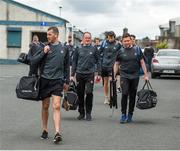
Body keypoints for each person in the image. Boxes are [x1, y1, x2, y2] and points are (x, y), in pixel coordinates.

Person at [30, 27, 70, 143]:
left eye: (49, 34)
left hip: (57, 81)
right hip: (45, 80)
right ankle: (45, 130)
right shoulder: (43, 47)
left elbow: (67, 66)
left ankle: (57, 133)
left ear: (56, 35)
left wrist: (67, 81)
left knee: (56, 106)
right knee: (45, 106)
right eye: (47, 34)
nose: (47, 36)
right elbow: (33, 61)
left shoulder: (64, 48)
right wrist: (44, 52)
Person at [115, 33, 148, 123]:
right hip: (124, 76)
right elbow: (117, 64)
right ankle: (123, 114)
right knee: (124, 94)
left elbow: (142, 62)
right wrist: (113, 75)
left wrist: (146, 75)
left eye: (128, 40)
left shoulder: (137, 50)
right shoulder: (120, 51)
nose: (126, 42)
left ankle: (130, 114)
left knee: (132, 96)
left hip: (135, 76)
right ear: (122, 42)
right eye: (125, 41)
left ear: (131, 40)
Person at [71, 32, 101, 121]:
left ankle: (88, 113)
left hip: (90, 74)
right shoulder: (78, 48)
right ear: (83, 39)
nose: (87, 39)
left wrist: (98, 73)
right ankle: (81, 112)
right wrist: (72, 75)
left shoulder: (94, 49)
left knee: (88, 92)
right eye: (86, 38)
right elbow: (74, 62)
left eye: (89, 38)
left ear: (91, 39)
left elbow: (98, 61)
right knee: (80, 94)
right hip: (80, 74)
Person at [100, 31, 121, 104]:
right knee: (105, 82)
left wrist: (119, 64)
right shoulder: (104, 43)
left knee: (111, 81)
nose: (111, 38)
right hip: (104, 65)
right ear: (107, 37)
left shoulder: (118, 44)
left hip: (113, 66)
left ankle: (112, 96)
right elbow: (99, 53)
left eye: (112, 36)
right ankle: (106, 97)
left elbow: (121, 53)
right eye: (109, 36)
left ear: (114, 36)